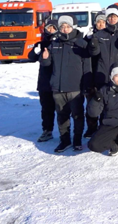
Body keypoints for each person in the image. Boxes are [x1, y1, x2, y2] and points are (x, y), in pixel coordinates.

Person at [40, 15, 92, 153]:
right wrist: (44, 59)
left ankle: (77, 140)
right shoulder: (54, 44)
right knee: (62, 116)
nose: (65, 29)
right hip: (58, 88)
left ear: (73, 27)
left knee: (77, 116)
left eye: (67, 26)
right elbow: (47, 65)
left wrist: (86, 86)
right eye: (62, 26)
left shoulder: (81, 44)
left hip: (75, 88)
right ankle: (65, 141)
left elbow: (87, 67)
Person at [86, 6, 118, 138]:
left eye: (114, 17)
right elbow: (93, 53)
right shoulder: (99, 34)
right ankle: (101, 129)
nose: (112, 19)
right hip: (103, 74)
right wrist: (93, 45)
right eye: (110, 17)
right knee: (102, 103)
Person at [27, 19, 58, 142]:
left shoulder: (62, 42)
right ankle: (47, 130)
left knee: (64, 110)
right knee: (46, 109)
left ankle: (66, 133)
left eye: (53, 28)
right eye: (49, 28)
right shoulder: (41, 43)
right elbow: (32, 57)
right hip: (45, 82)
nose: (51, 30)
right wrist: (35, 51)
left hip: (59, 80)